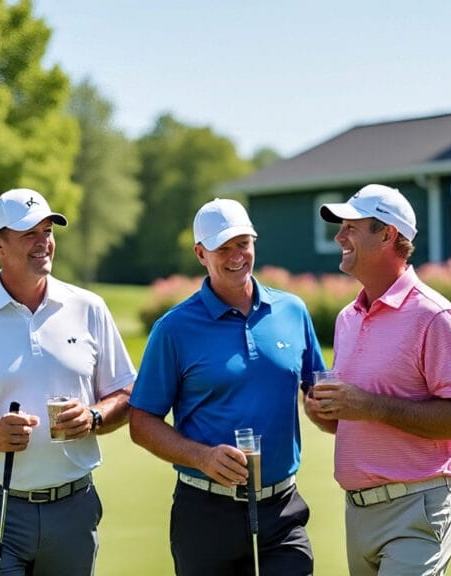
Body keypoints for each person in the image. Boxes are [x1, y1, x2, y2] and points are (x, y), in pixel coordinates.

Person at [0, 188, 136, 576]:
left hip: (74, 505)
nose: (44, 243)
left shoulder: (88, 308)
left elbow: (127, 394)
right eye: (29, 234)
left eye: (48, 231)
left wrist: (95, 418)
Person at [129, 198, 326, 576]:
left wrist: (329, 409)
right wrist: (202, 457)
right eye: (223, 248)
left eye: (243, 244)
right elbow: (142, 421)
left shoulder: (292, 311)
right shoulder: (174, 329)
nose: (236, 256)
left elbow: (317, 393)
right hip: (206, 514)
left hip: (282, 510)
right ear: (201, 254)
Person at [306, 184, 451, 576]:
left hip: (417, 509)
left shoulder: (434, 316)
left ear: (387, 234)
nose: (339, 237)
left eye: (351, 227)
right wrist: (324, 412)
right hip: (358, 512)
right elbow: (352, 418)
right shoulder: (347, 318)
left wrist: (367, 404)